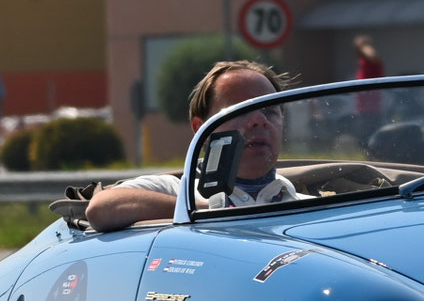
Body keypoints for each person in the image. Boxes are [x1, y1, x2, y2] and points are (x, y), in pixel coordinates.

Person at [86, 60, 296, 231]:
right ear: (202, 128)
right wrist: (208, 209)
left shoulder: (302, 199)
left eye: (270, 111)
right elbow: (101, 208)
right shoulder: (178, 189)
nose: (259, 120)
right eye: (239, 111)